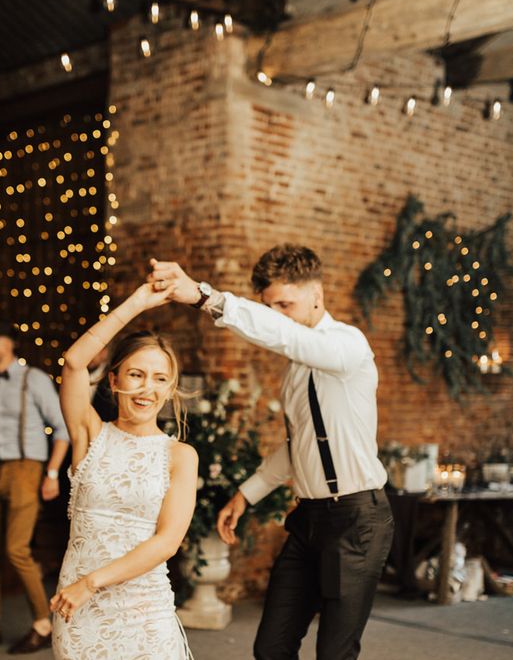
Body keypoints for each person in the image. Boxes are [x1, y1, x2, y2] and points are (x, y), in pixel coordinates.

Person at [148, 245, 394, 660]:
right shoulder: (296, 370)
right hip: (309, 521)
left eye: (285, 303)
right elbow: (298, 445)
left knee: (335, 653)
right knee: (271, 648)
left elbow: (289, 337)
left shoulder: (348, 345)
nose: (278, 314)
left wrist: (205, 296)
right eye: (270, 306)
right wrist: (245, 495)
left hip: (357, 521)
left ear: (317, 292)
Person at [50, 283, 198, 659]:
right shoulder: (90, 435)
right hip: (79, 612)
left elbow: (167, 543)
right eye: (136, 375)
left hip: (145, 614)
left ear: (169, 389)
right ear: (114, 380)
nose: (147, 388)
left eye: (160, 379)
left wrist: (92, 582)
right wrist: (138, 303)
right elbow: (73, 362)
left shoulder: (180, 456)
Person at [0, 320, 70, 654]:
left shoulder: (33, 379)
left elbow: (61, 429)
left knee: (16, 550)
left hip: (26, 468)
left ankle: (42, 623)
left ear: (7, 345)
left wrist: (51, 474)